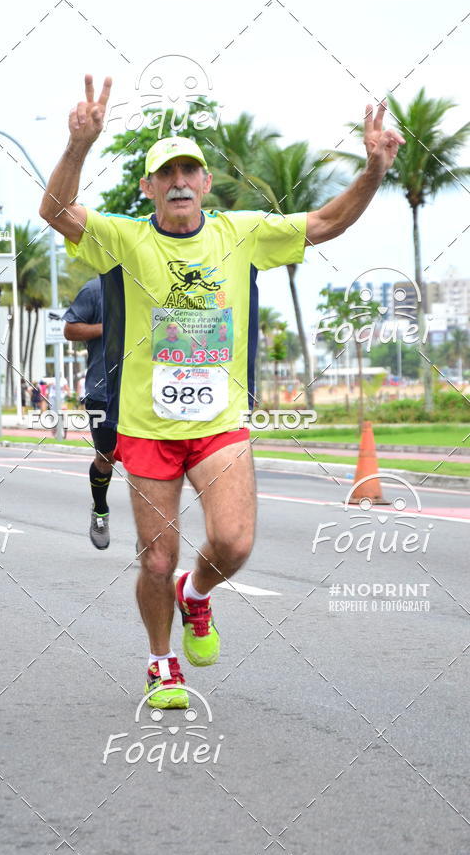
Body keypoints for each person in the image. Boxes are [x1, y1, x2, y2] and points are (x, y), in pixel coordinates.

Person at [40, 75, 404, 709]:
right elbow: (54, 211)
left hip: (219, 423)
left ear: (206, 183)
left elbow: (326, 221)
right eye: (166, 173)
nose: (179, 181)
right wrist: (79, 145)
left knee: (233, 543)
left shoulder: (242, 232)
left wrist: (373, 171)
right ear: (148, 187)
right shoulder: (124, 239)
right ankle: (161, 662)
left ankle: (197, 593)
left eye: (190, 171)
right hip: (147, 427)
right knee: (157, 559)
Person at [63, 277, 117, 550]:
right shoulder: (95, 289)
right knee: (106, 458)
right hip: (102, 392)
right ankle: (100, 510)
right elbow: (71, 330)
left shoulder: (150, 284)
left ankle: (150, 532)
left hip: (144, 392)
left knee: (146, 462)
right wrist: (111, 327)